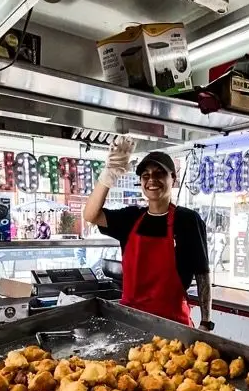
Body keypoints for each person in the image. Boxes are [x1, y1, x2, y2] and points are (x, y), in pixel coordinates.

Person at [84, 137, 213, 329]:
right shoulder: (130, 218)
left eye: (160, 173)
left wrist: (206, 322)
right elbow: (90, 215)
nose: (152, 179)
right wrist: (108, 174)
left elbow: (202, 274)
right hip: (131, 323)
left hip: (173, 325)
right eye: (146, 175)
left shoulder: (187, 220)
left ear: (173, 179)